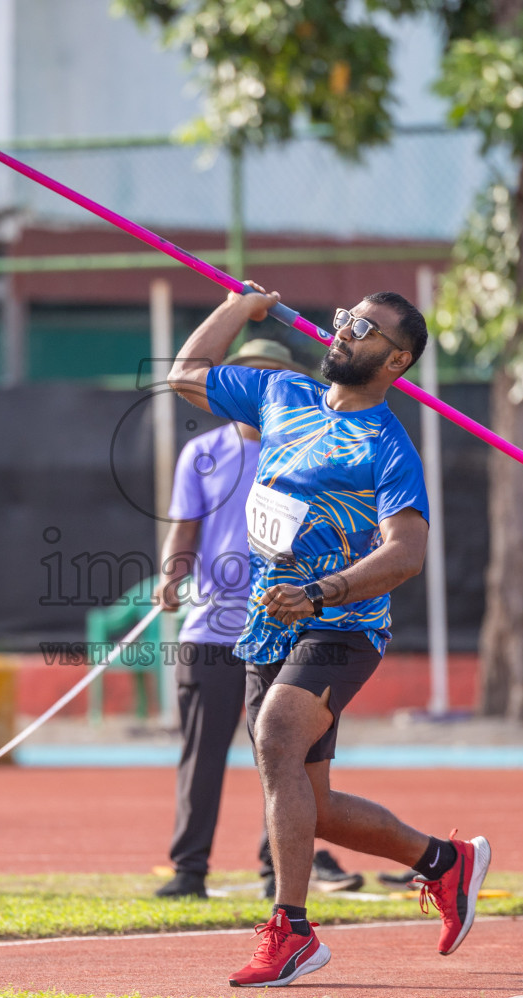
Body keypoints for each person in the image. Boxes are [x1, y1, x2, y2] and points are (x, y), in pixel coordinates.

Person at [167, 285, 492, 987]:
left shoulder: (386, 445)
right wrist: (237, 307)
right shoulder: (280, 394)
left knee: (274, 738)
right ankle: (443, 862)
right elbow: (183, 376)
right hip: (268, 619)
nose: (343, 333)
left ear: (396, 360)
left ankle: (291, 930)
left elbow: (405, 554)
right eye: (344, 320)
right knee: (307, 805)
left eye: (364, 330)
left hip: (340, 625)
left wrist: (320, 590)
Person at [154, 339, 365, 901]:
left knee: (284, 756)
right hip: (213, 628)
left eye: (273, 379)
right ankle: (189, 869)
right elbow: (184, 527)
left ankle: (278, 866)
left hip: (286, 625)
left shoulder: (308, 453)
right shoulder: (202, 453)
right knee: (201, 753)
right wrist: (171, 575)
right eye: (250, 379)